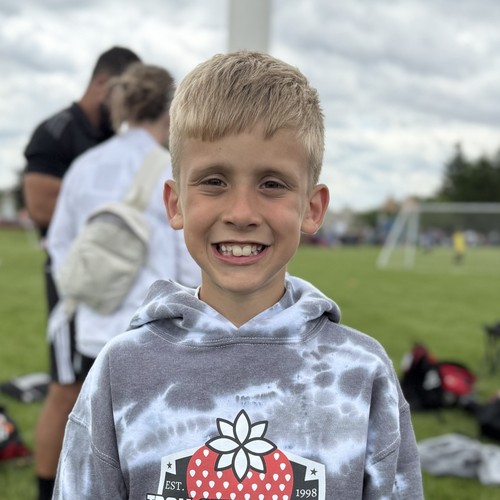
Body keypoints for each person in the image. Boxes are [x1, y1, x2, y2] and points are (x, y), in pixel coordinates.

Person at [54, 51, 423, 499]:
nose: (242, 213)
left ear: (312, 208)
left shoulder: (361, 373)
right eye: (214, 181)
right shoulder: (121, 370)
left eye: (272, 184)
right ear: (175, 203)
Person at [22, 46, 141, 500]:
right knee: (66, 389)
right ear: (104, 85)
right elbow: (40, 205)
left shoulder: (117, 142)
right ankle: (45, 490)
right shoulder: (56, 131)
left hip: (119, 281)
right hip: (74, 280)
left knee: (114, 387)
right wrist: (115, 206)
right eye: (126, 91)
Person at [48, 60, 200, 374]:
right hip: (153, 331)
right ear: (170, 110)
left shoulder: (85, 165)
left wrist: (85, 290)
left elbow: (59, 241)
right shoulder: (171, 171)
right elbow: (189, 262)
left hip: (91, 331)